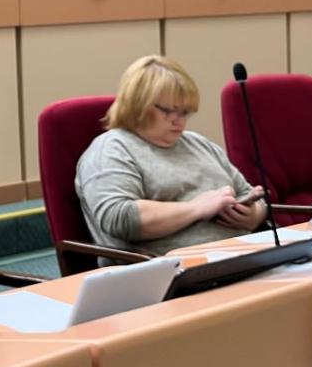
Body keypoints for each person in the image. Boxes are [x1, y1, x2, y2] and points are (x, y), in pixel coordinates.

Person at [76, 56, 267, 256]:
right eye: (168, 111)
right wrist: (197, 208)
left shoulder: (199, 143)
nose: (179, 121)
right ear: (137, 104)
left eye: (185, 112)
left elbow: (249, 194)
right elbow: (120, 218)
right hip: (171, 269)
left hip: (243, 256)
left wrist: (253, 215)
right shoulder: (111, 149)